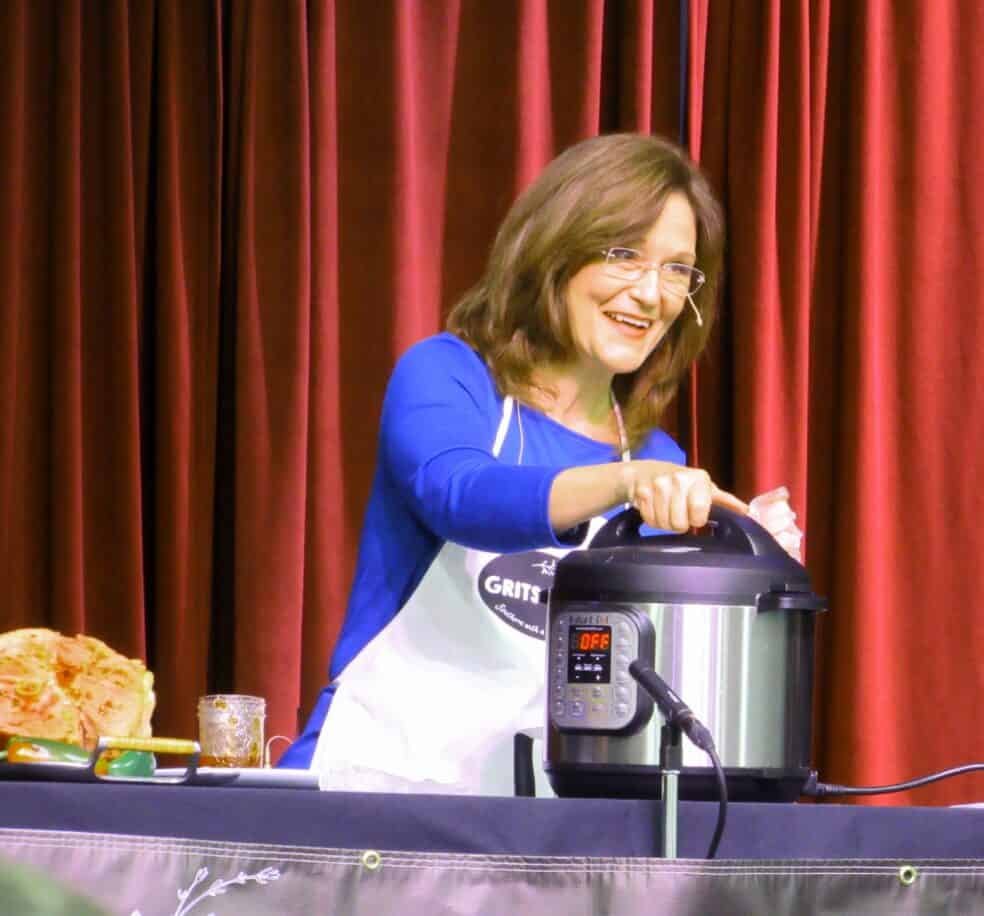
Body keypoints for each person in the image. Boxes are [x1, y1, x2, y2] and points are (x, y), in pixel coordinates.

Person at [279, 133, 800, 793]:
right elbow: (460, 495)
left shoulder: (656, 456)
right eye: (623, 255)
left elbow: (656, 677)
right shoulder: (449, 375)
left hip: (532, 822)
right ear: (556, 251)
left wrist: (748, 566)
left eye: (677, 269)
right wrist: (623, 481)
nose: (650, 293)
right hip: (377, 779)